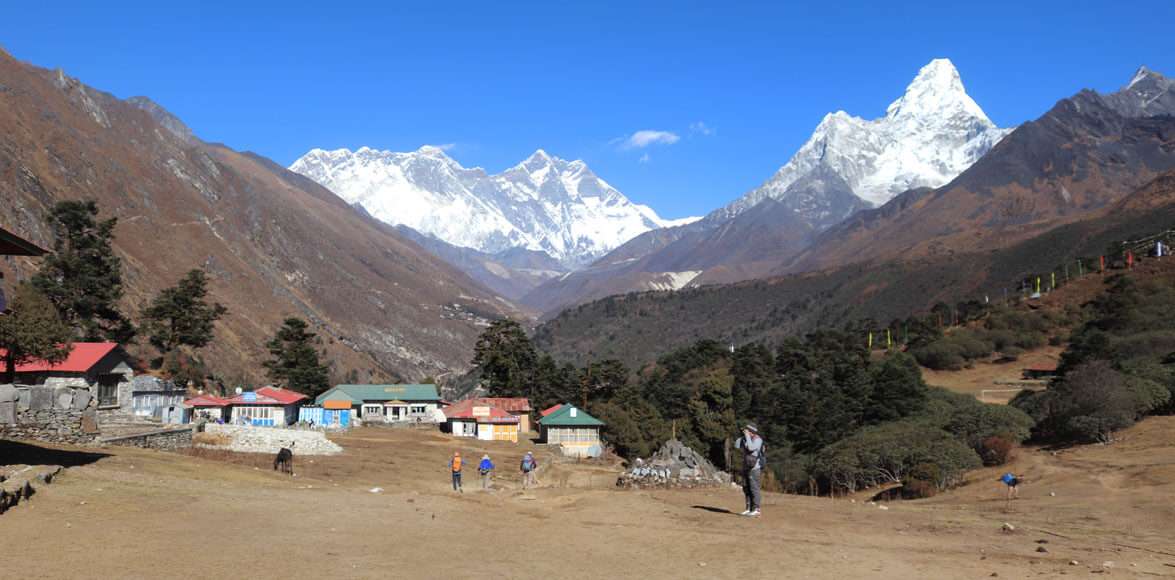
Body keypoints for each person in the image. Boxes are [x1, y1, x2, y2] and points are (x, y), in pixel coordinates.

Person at [734, 424, 765, 517]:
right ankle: (749, 508)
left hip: (755, 468)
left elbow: (751, 448)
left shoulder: (758, 440)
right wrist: (742, 436)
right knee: (746, 488)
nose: (745, 432)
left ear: (752, 432)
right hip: (746, 467)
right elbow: (736, 446)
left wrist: (747, 436)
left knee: (754, 488)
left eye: (747, 430)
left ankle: (757, 509)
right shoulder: (747, 438)